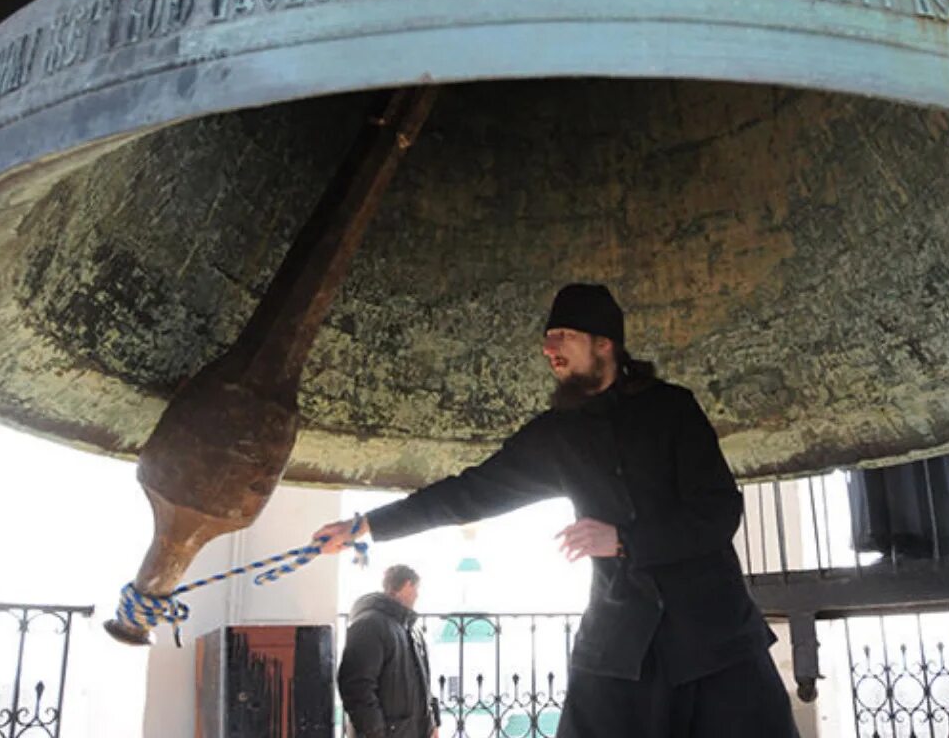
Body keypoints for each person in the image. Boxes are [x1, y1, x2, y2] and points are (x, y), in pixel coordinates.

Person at [316, 284, 797, 738]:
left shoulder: (671, 410)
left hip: (715, 640)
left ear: (605, 344)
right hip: (618, 648)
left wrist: (625, 540)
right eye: (547, 339)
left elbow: (718, 513)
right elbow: (469, 493)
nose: (549, 348)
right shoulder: (557, 434)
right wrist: (367, 526)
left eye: (563, 336)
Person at [337, 564, 440, 738]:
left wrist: (432, 725)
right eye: (416, 588)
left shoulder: (412, 630)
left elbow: (424, 685)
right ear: (407, 585)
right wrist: (375, 732)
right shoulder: (369, 624)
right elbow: (356, 686)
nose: (417, 595)